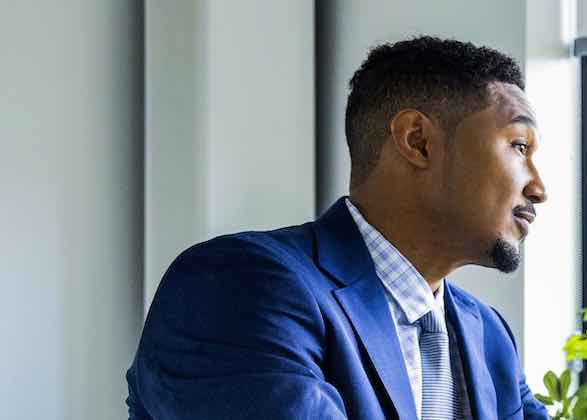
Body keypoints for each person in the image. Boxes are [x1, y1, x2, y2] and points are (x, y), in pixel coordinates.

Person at [126, 36, 550, 419]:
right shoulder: (240, 286)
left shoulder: (488, 335)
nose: (539, 187)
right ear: (418, 140)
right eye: (519, 146)